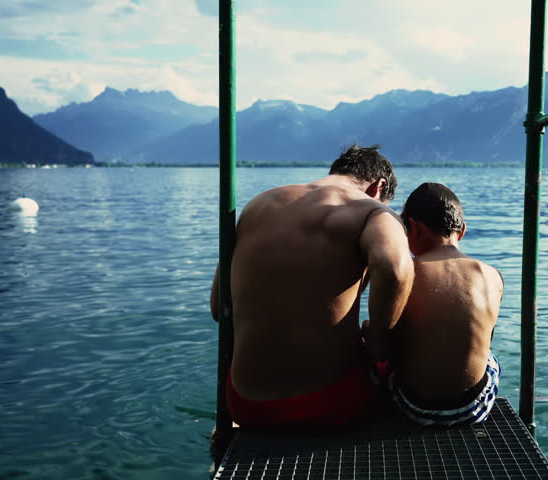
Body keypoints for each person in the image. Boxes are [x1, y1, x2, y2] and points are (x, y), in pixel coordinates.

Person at [210, 144, 414, 430]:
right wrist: (380, 345)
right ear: (378, 188)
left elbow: (219, 307)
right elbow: (394, 270)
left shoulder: (257, 204)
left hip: (246, 405)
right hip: (329, 403)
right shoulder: (373, 213)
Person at [388, 182, 503, 426]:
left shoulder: (406, 273)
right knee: (490, 357)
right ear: (462, 231)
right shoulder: (491, 275)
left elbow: (387, 343)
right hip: (471, 409)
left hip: (413, 406)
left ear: (412, 228)